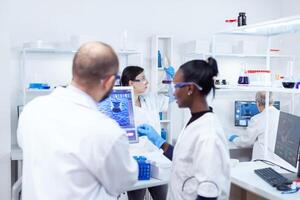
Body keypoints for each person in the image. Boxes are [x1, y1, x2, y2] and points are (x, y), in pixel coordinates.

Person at [17, 42, 138, 200]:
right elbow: (122, 183)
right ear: (109, 82)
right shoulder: (107, 131)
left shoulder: (32, 110)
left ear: (75, 71)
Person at [138, 58, 230, 200]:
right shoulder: (195, 121)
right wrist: (159, 142)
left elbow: (208, 194)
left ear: (190, 89)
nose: (173, 93)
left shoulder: (208, 134)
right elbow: (183, 158)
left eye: (176, 86)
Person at [120, 65, 173, 200]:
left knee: (162, 196)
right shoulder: (121, 105)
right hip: (136, 159)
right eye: (142, 79)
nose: (146, 82)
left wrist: (170, 79)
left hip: (157, 156)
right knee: (136, 197)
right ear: (131, 83)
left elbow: (171, 98)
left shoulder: (149, 99)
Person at [228, 91, 280, 160]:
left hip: (264, 160)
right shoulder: (282, 115)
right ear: (272, 102)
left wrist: (234, 139)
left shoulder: (257, 119)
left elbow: (246, 142)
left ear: (258, 103)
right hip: (279, 160)